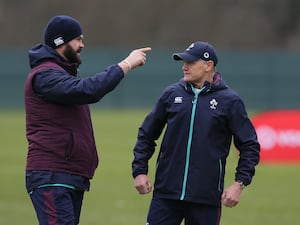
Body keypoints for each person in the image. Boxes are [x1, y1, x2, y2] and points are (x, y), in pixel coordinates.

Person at [24, 15, 151, 225]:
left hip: (68, 175)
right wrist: (126, 64)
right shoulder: (45, 75)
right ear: (60, 42)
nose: (82, 45)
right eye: (78, 39)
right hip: (52, 175)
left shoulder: (61, 74)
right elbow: (88, 90)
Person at [132, 41, 260, 225]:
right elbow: (146, 134)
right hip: (166, 195)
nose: (184, 67)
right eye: (183, 62)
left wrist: (239, 184)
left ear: (209, 65)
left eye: (190, 63)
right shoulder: (170, 94)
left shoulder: (230, 101)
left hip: (206, 199)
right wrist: (140, 171)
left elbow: (249, 145)